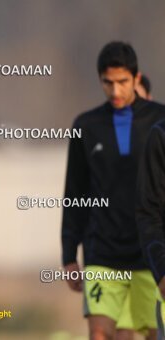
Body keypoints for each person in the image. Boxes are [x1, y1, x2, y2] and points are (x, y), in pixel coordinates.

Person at [62, 42, 165, 339]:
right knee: (99, 333)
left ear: (136, 78)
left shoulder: (160, 121)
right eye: (108, 83)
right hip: (102, 252)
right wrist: (69, 252)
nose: (115, 91)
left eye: (122, 82)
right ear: (100, 81)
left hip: (151, 255)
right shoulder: (85, 125)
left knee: (148, 334)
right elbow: (75, 193)